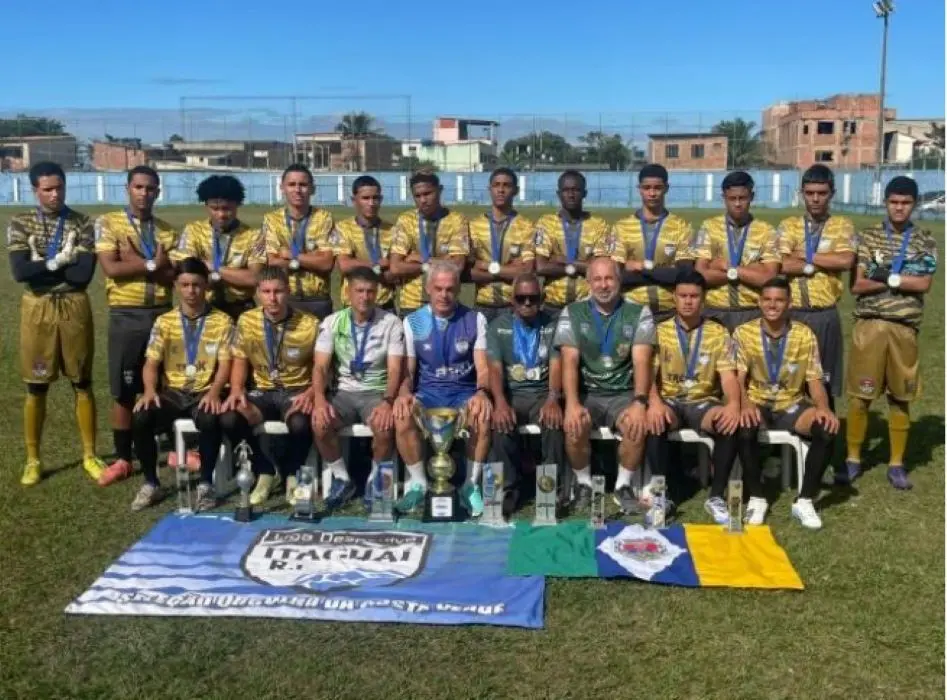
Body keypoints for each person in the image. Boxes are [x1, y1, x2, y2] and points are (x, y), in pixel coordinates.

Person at [7, 162, 105, 486]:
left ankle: (90, 454)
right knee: (36, 384)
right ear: (35, 190)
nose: (54, 194)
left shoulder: (84, 222)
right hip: (38, 307)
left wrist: (42, 265)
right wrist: (60, 262)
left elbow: (82, 275)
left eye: (59, 187)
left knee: (82, 381)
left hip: (74, 304)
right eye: (47, 189)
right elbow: (20, 272)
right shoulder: (20, 223)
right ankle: (33, 459)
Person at [845, 176, 938, 490]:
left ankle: (896, 464)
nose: (899, 208)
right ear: (885, 202)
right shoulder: (868, 236)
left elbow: (923, 283)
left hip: (904, 328)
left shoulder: (924, 240)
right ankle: (853, 459)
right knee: (860, 396)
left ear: (914, 204)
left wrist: (884, 275)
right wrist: (902, 276)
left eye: (906, 203)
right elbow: (858, 284)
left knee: (900, 398)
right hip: (870, 326)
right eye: (894, 202)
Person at [732, 276, 839, 529]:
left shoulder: (804, 334)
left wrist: (823, 408)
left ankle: (805, 500)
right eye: (767, 299)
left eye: (779, 300)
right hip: (757, 401)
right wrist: (745, 404)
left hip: (791, 404)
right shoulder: (743, 333)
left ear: (789, 303)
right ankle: (757, 498)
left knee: (826, 428)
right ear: (759, 302)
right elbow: (738, 378)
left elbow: (814, 380)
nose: (772, 305)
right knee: (744, 428)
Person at [95, 165, 179, 486]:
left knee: (166, 384)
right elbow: (111, 268)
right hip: (126, 314)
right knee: (125, 388)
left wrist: (137, 263)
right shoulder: (108, 223)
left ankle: (174, 448)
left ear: (158, 192)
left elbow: (173, 277)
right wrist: (152, 263)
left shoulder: (167, 231)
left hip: (162, 314)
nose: (144, 193)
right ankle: (122, 458)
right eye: (139, 187)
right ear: (127, 188)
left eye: (151, 188)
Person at [130, 258, 234, 512]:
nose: (191, 291)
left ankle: (206, 484)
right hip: (174, 392)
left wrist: (214, 391)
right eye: (185, 285)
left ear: (206, 286)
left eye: (196, 285)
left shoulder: (222, 321)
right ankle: (151, 483)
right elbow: (151, 363)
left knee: (210, 417)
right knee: (141, 416)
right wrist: (150, 391)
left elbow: (226, 365)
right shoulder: (164, 322)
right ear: (176, 286)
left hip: (204, 391)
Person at [554, 256, 655, 514]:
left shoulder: (639, 312)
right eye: (597, 279)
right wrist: (572, 403)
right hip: (587, 392)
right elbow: (569, 360)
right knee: (574, 426)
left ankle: (623, 486)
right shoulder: (572, 312)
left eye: (609, 278)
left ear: (619, 281)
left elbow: (642, 361)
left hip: (623, 392)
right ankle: (583, 484)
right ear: (588, 282)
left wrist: (639, 402)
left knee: (635, 425)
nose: (603, 285)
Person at [392, 261, 493, 516]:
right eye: (438, 288)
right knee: (402, 414)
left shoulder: (475, 319)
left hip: (463, 393)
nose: (444, 295)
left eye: (450, 289)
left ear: (459, 289)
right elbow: (408, 371)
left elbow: (483, 368)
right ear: (428, 289)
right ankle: (418, 483)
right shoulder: (413, 321)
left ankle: (470, 485)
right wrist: (404, 394)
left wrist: (482, 393)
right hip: (428, 393)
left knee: (481, 415)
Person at [646, 269, 742, 524]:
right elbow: (648, 376)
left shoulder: (718, 332)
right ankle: (660, 497)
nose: (688, 301)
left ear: (704, 299)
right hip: (670, 400)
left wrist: (733, 404)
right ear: (674, 298)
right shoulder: (658, 331)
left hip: (704, 402)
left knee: (729, 423)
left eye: (694, 296)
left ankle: (716, 496)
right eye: (683, 296)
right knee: (655, 421)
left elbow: (728, 377)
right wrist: (654, 403)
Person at [220, 267, 317, 505]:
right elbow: (240, 359)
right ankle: (264, 471)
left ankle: (293, 474)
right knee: (230, 417)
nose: (272, 298)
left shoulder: (309, 324)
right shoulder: (247, 320)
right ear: (257, 293)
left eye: (278, 291)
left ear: (288, 291)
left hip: (296, 390)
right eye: (266, 292)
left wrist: (312, 392)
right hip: (262, 391)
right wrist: (236, 389)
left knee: (300, 422)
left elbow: (322, 366)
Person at [312, 268, 405, 510]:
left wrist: (387, 401)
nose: (365, 297)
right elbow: (320, 367)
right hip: (343, 393)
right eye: (359, 291)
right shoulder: (332, 322)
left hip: (376, 392)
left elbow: (395, 369)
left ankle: (375, 480)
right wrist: (320, 400)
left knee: (384, 426)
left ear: (378, 293)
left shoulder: (391, 323)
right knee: (320, 423)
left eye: (370, 291)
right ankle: (342, 479)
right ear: (348, 292)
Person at [776, 165, 855, 423]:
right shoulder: (789, 226)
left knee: (825, 383)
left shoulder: (842, 225)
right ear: (802, 194)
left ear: (832, 193)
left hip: (824, 315)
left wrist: (805, 255)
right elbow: (781, 264)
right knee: (790, 381)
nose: (816, 199)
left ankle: (826, 437)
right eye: (810, 193)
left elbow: (845, 260)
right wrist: (821, 261)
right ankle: (791, 438)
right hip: (793, 314)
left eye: (822, 193)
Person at [487, 273, 565, 513]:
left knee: (553, 422)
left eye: (533, 298)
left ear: (543, 299)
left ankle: (549, 492)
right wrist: (500, 402)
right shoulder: (498, 327)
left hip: (541, 394)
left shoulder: (552, 325)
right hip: (512, 393)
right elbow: (494, 369)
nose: (528, 303)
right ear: (512, 300)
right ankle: (506, 491)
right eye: (521, 298)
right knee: (500, 424)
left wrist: (553, 398)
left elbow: (556, 365)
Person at [604, 164, 695, 323]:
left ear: (666, 188)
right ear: (639, 189)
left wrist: (642, 267)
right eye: (647, 188)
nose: (652, 193)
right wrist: (664, 273)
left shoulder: (681, 227)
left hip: (669, 312)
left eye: (657, 188)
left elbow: (683, 274)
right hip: (631, 311)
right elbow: (617, 276)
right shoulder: (622, 227)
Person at [693, 171, 780, 331]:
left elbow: (768, 278)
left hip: (752, 311)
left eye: (743, 198)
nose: (738, 204)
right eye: (732, 198)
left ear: (751, 196)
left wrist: (728, 268)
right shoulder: (709, 227)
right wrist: (750, 271)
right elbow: (700, 275)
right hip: (714, 310)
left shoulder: (766, 231)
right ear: (724, 198)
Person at [175, 174, 266, 321]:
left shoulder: (253, 236)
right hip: (203, 310)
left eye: (227, 208)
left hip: (241, 311)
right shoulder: (193, 231)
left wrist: (212, 267)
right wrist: (235, 275)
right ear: (206, 206)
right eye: (215, 208)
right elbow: (188, 275)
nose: (221, 214)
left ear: (238, 204)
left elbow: (254, 278)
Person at [389, 171, 470, 318]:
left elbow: (458, 265)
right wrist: (442, 261)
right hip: (411, 304)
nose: (423, 200)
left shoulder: (456, 220)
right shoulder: (406, 220)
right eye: (417, 196)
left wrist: (418, 258)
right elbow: (395, 267)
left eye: (427, 194)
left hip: (445, 302)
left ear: (440, 190)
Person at [261, 164, 336, 320]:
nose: (297, 190)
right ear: (282, 188)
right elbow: (271, 262)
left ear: (312, 189)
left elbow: (326, 264)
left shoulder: (324, 218)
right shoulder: (271, 220)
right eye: (291, 184)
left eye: (303, 185)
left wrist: (290, 255)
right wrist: (311, 258)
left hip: (318, 300)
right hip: (285, 299)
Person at [535, 170, 610, 316]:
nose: (571, 195)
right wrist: (583, 264)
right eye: (566, 190)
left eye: (576, 190)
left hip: (587, 306)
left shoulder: (599, 225)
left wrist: (563, 260)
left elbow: (599, 269)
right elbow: (541, 267)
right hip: (552, 306)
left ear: (584, 193)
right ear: (558, 194)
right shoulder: (546, 223)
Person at [467, 168, 536, 322]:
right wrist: (509, 269)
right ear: (489, 189)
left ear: (516, 190)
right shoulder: (474, 226)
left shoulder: (526, 226)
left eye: (506, 185)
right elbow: (467, 273)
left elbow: (526, 271)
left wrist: (485, 265)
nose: (501, 190)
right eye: (496, 185)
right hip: (481, 305)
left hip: (513, 306)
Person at [333, 175, 397, 312]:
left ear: (381, 199)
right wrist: (377, 264)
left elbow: (394, 274)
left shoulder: (392, 230)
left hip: (384, 305)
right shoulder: (343, 228)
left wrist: (359, 265)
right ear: (354, 200)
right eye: (365, 198)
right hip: (353, 307)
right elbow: (344, 265)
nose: (371, 203)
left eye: (375, 198)